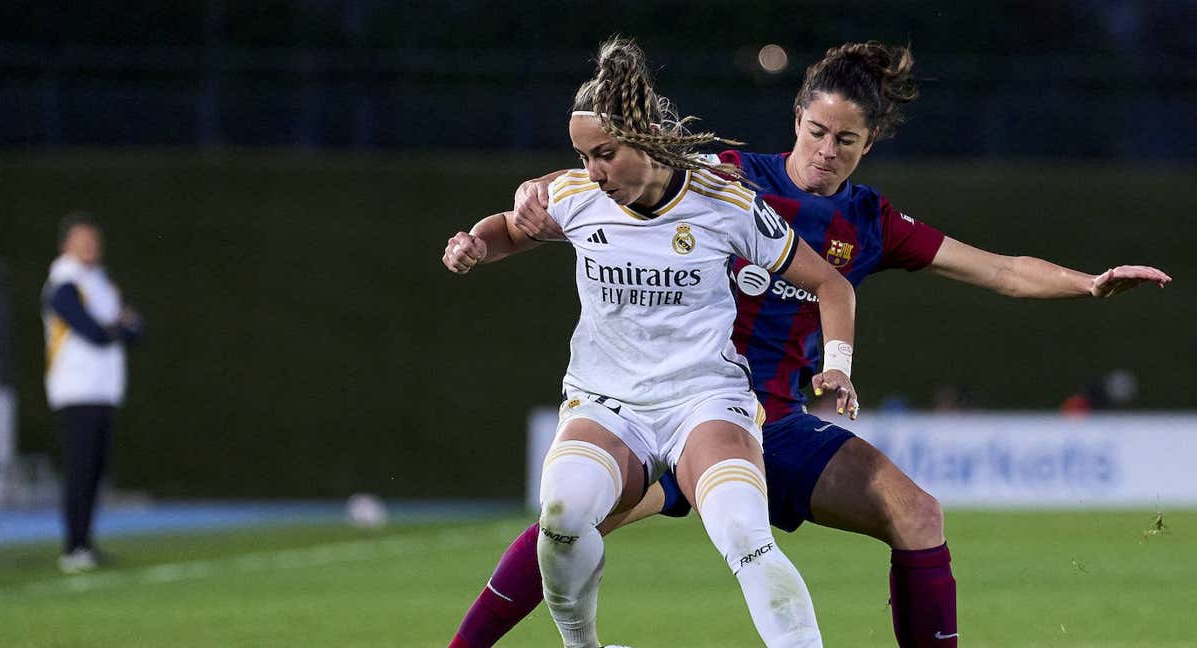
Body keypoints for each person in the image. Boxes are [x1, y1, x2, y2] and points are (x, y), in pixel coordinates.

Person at [448, 41, 1172, 648]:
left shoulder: (870, 219)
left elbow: (1001, 270)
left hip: (765, 424)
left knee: (915, 513)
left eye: (846, 140)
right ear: (796, 119)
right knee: (566, 525)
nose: (826, 152)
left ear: (868, 144)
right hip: (666, 408)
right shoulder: (728, 178)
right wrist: (529, 192)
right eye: (817, 131)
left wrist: (1087, 282)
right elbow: (612, 172)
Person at [443, 37, 863, 648]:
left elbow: (832, 283)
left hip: (703, 400)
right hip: (607, 403)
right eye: (583, 156)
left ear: (643, 140)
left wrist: (838, 366)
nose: (592, 171)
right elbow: (511, 228)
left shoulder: (723, 203)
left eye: (605, 154)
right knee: (561, 516)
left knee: (745, 534)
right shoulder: (577, 196)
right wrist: (477, 245)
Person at [41, 212, 143, 573]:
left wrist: (115, 326)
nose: (89, 246)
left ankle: (86, 542)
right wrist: (117, 325)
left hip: (103, 390)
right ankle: (72, 547)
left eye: (93, 240)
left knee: (97, 471)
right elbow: (94, 332)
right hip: (76, 389)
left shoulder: (101, 282)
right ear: (65, 244)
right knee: (79, 470)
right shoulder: (64, 284)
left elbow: (136, 329)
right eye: (81, 239)